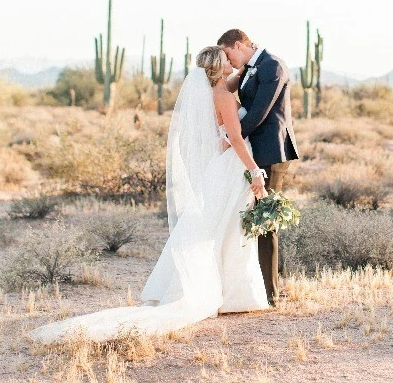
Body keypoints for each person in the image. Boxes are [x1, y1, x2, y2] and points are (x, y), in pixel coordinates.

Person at [27, 46, 270, 344]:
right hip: (232, 167)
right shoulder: (222, 96)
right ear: (219, 68)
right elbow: (234, 137)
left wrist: (244, 71)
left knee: (220, 226)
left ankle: (225, 291)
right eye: (226, 60)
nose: (232, 62)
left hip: (220, 168)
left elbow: (228, 92)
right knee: (230, 227)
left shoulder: (214, 91)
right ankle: (233, 295)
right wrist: (255, 171)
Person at [218, 29, 299, 306]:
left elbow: (259, 112)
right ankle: (256, 286)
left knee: (266, 221)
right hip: (253, 151)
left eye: (228, 54)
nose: (228, 60)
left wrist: (231, 138)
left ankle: (271, 293)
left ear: (238, 45)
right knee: (252, 217)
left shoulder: (273, 66)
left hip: (271, 152)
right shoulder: (250, 69)